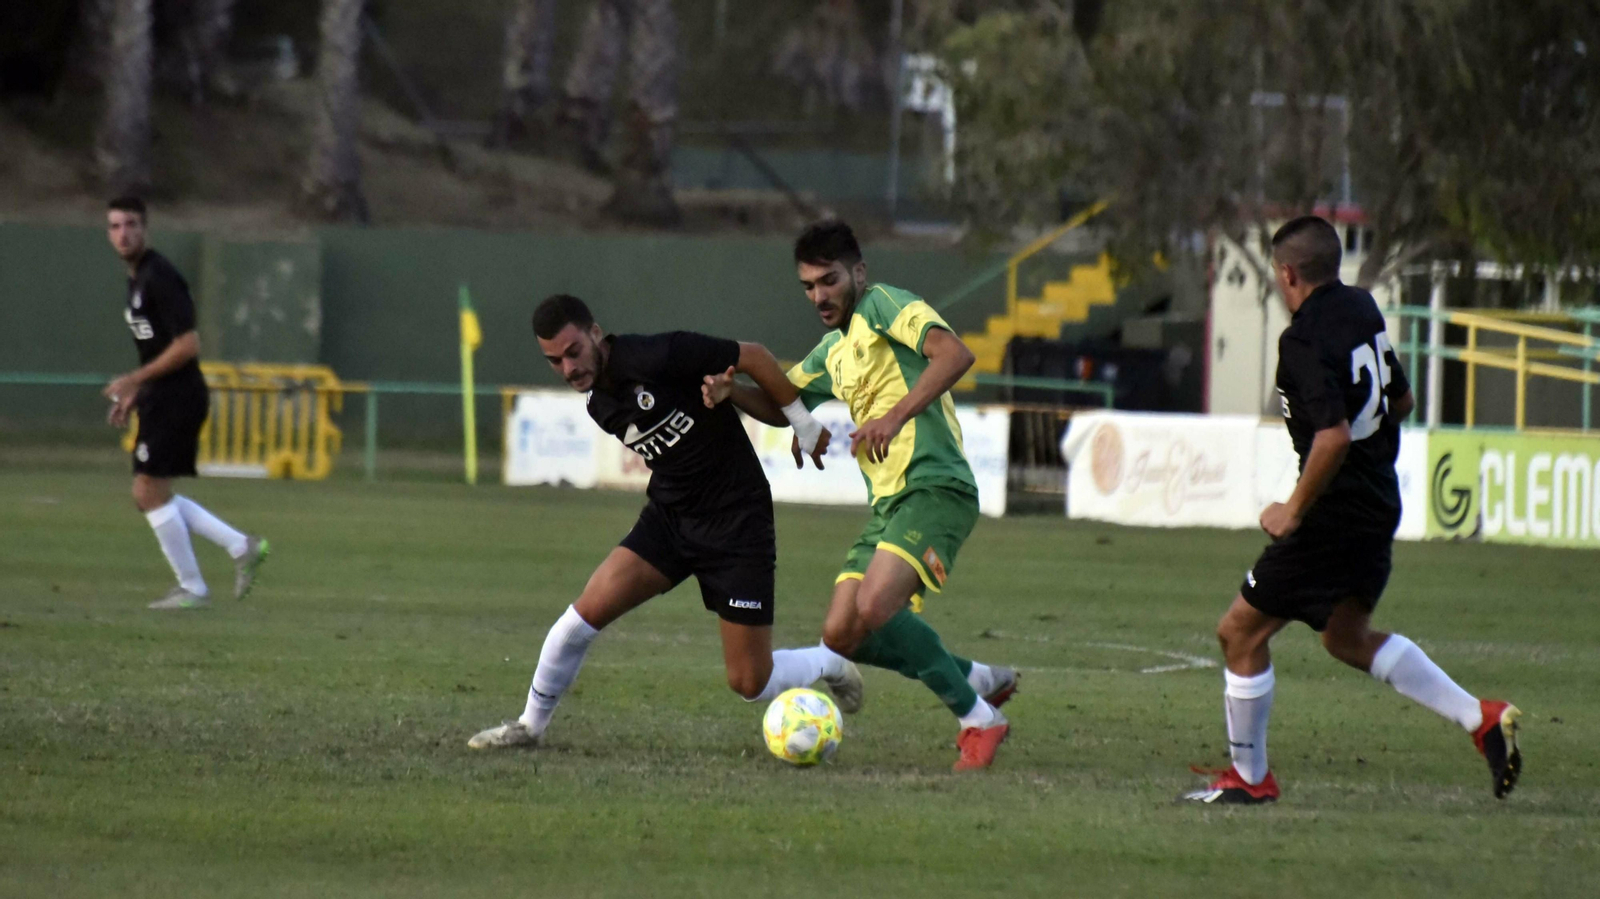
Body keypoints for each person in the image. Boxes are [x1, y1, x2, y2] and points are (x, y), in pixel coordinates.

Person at [1181, 216, 1521, 804]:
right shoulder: (1362, 308)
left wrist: (1293, 508)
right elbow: (1402, 399)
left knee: (1238, 631)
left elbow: (1332, 437)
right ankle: (1481, 718)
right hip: (1377, 503)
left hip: (1333, 517)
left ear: (1286, 274)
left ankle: (1250, 780)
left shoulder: (1302, 341)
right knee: (1346, 636)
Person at [468, 294, 862, 750]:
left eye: (573, 352)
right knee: (579, 620)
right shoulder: (600, 406)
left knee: (750, 683)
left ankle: (829, 662)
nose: (567, 368)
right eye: (554, 360)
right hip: (671, 521)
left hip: (737, 523)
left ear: (595, 334)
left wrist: (803, 423)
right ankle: (528, 727)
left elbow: (752, 355)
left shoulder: (660, 354)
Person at [703, 221, 1018, 771]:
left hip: (935, 486)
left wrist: (894, 417)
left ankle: (979, 719)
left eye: (829, 280)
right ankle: (975, 678)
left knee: (875, 607)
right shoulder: (833, 349)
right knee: (843, 633)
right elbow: (785, 403)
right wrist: (734, 395)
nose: (819, 296)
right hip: (889, 504)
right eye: (808, 286)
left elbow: (955, 355)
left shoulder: (886, 305)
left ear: (859, 272)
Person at [103, 197, 270, 610]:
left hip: (179, 395)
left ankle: (194, 586)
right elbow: (156, 349)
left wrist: (134, 381)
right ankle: (239, 547)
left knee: (147, 490)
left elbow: (188, 344)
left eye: (131, 225)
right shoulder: (136, 279)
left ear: (146, 229)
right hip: (161, 395)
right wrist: (136, 394)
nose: (123, 234)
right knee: (151, 492)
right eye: (115, 226)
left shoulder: (160, 276)